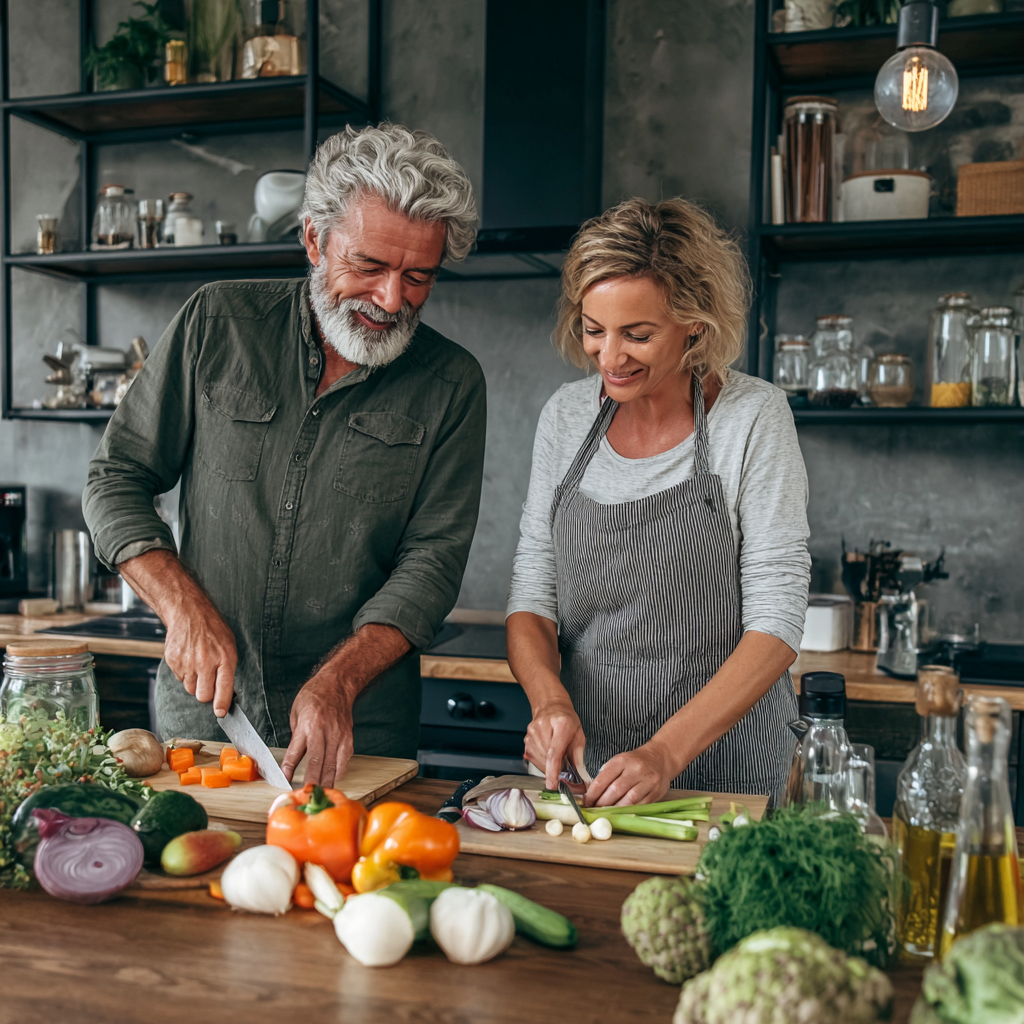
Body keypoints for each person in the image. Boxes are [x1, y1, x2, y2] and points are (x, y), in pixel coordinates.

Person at [84, 123, 486, 786]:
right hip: (205, 722)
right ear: (313, 240)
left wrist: (338, 680)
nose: (393, 300)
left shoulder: (453, 383)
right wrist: (182, 608)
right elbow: (115, 479)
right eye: (370, 267)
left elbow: (432, 563)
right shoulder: (216, 325)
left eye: (418, 277)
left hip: (358, 730)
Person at [506, 197, 810, 807]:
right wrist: (550, 702)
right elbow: (533, 597)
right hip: (592, 768)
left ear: (694, 323)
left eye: (638, 335)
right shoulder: (566, 417)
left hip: (727, 765)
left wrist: (667, 751)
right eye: (595, 330)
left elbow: (776, 624)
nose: (610, 357)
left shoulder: (752, 418)